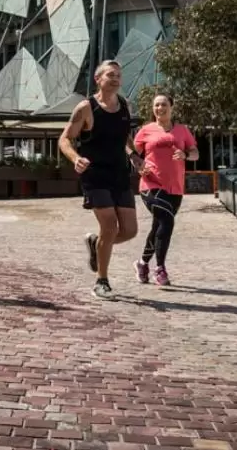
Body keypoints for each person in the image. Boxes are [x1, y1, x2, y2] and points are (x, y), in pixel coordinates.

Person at [58, 60, 144, 299]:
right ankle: (101, 281)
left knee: (129, 230)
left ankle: (97, 244)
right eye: (110, 75)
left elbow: (125, 136)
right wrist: (75, 158)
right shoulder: (86, 108)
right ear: (98, 79)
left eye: (118, 75)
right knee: (110, 226)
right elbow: (64, 139)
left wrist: (134, 156)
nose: (115, 79)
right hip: (94, 176)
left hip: (119, 174)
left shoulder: (126, 106)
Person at [132, 93, 198, 287]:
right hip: (150, 183)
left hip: (175, 187)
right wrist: (138, 165)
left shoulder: (182, 130)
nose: (160, 108)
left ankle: (142, 263)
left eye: (163, 104)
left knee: (158, 227)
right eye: (156, 105)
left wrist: (185, 154)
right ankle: (159, 269)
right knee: (167, 221)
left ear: (172, 107)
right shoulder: (146, 130)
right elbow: (131, 152)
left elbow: (195, 153)